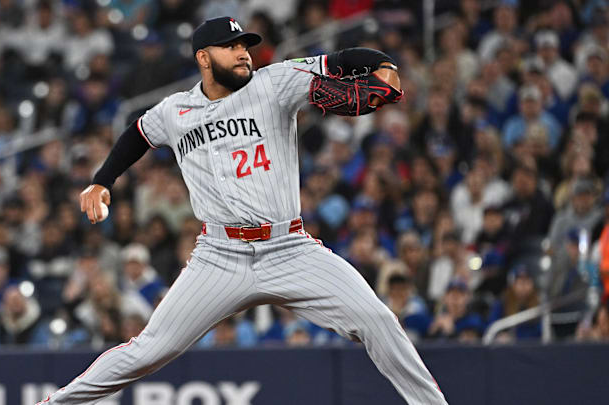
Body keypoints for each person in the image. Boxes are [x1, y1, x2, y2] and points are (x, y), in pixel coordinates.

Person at [40, 17, 445, 405]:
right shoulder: (175, 111)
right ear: (203, 57)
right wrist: (102, 180)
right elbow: (137, 135)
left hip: (289, 248)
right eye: (230, 46)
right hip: (219, 257)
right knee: (146, 351)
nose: (243, 53)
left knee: (377, 319)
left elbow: (340, 60)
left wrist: (384, 64)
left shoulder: (276, 82)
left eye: (245, 46)